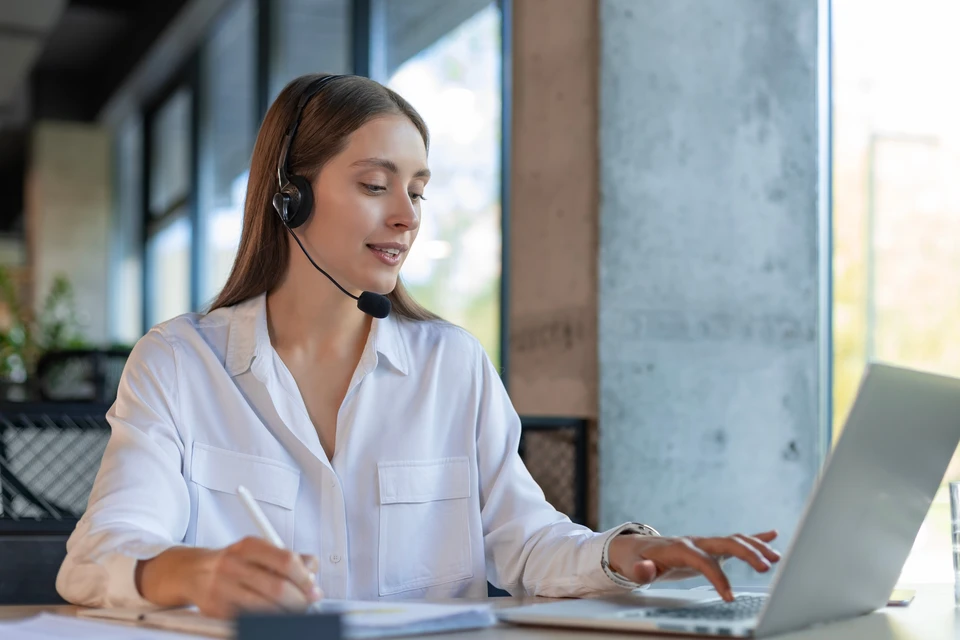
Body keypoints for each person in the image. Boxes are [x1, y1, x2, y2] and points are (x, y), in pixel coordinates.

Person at [56, 73, 780, 619]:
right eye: (376, 185)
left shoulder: (452, 365)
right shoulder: (179, 364)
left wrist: (625, 552)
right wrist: (190, 572)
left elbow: (526, 543)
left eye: (419, 191)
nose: (407, 216)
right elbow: (95, 558)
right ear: (289, 197)